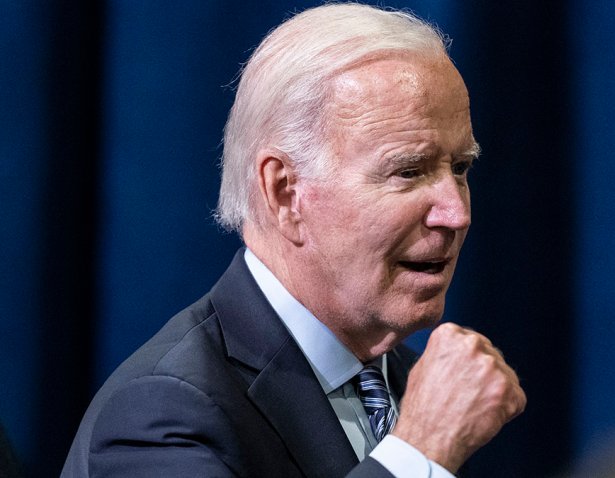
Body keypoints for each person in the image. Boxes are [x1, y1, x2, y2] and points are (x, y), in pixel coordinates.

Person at [61, 4, 526, 477]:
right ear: (285, 192)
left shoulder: (408, 383)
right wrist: (421, 452)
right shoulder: (162, 415)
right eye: (408, 171)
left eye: (461, 169)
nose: (457, 214)